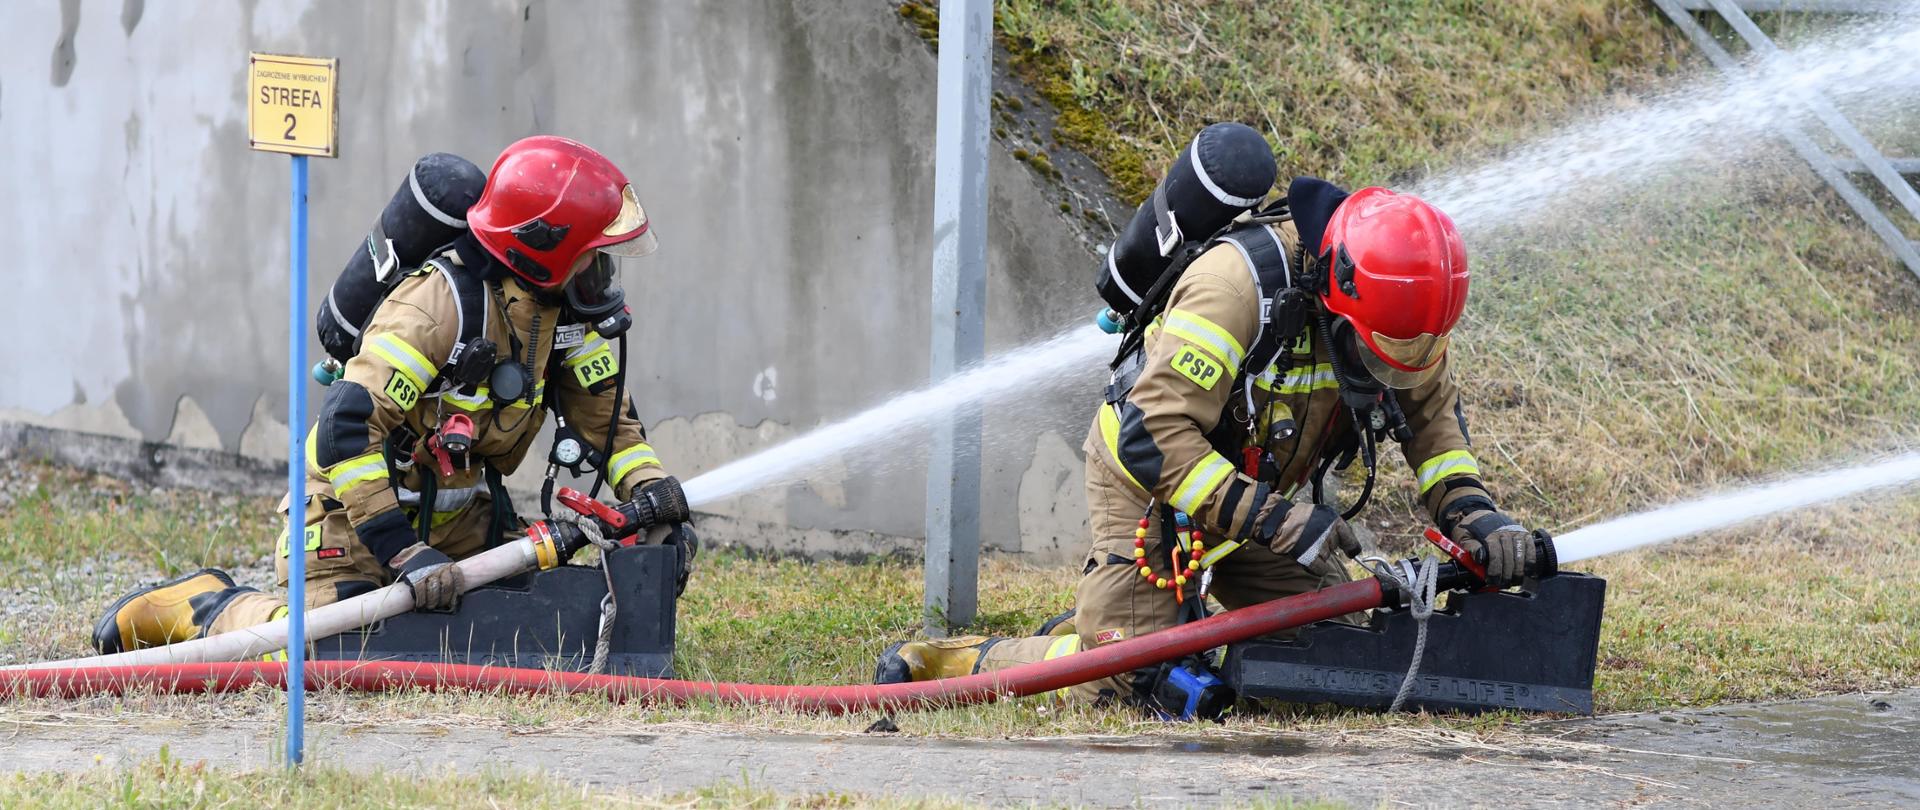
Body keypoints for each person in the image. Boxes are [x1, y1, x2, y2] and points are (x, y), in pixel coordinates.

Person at [876, 176, 1541, 708]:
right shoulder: (1234, 290)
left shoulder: (1406, 312)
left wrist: (1475, 516)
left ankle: (1123, 610)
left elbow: (1434, 428)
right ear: (1335, 294)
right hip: (1152, 485)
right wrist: (1278, 519)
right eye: (1383, 355)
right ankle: (964, 657)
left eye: (1417, 353)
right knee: (1134, 672)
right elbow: (1152, 435)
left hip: (1255, 496)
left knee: (1328, 654)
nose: (1395, 372)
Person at [93, 136, 688, 653]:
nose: (602, 277)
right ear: (543, 250)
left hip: (463, 527)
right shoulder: (435, 308)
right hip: (350, 524)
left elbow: (610, 425)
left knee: (518, 643)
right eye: (592, 260)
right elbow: (346, 429)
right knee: (328, 657)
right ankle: (200, 606)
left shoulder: (566, 319)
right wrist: (403, 552)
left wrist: (654, 498)